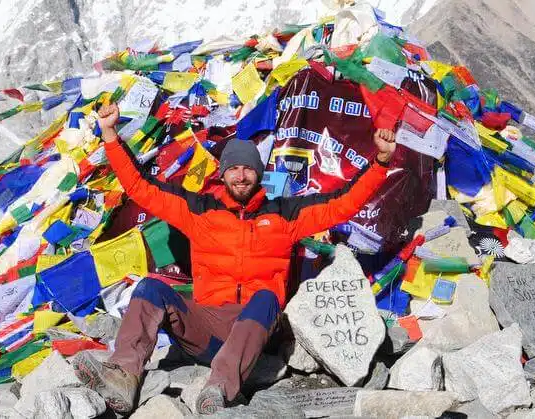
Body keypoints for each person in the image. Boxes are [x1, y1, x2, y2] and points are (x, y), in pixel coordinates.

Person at [72, 102, 397, 415]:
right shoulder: (200, 211)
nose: (241, 176)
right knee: (150, 288)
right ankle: (123, 378)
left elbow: (344, 203)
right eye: (233, 169)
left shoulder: (286, 214)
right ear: (223, 174)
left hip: (256, 332)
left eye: (248, 169)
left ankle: (218, 390)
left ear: (258, 173)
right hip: (207, 330)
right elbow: (142, 188)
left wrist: (381, 161)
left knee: (267, 297)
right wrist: (111, 136)